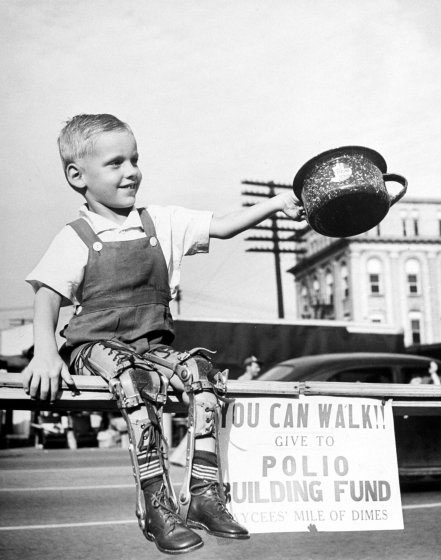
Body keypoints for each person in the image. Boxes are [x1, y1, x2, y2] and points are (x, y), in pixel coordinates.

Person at [22, 114, 305, 554]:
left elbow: (226, 224)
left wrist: (277, 204)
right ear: (77, 176)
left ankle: (205, 496)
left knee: (203, 370)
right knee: (132, 379)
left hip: (151, 346)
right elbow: (47, 294)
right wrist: (45, 353)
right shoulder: (76, 236)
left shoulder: (162, 222)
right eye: (115, 163)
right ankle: (157, 504)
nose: (131, 171)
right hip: (93, 345)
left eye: (134, 159)